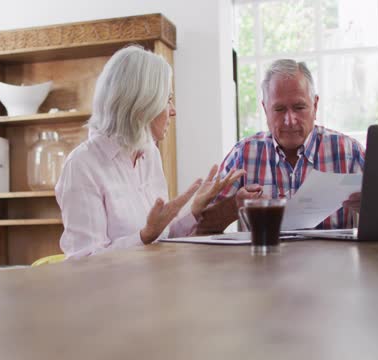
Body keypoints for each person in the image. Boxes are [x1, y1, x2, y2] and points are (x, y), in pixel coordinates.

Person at [56, 46, 243, 257]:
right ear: (142, 104)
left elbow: (163, 237)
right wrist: (144, 236)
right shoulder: (82, 165)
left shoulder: (149, 153)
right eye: (167, 100)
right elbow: (84, 261)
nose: (173, 111)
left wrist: (195, 211)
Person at [196, 59, 364, 234]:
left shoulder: (348, 152)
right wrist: (234, 205)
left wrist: (370, 207)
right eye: (279, 109)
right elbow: (201, 227)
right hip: (264, 260)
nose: (290, 120)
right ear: (265, 109)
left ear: (315, 105)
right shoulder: (243, 154)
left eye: (299, 107)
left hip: (333, 260)